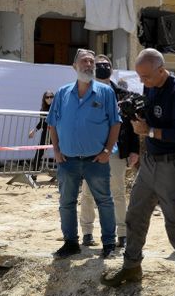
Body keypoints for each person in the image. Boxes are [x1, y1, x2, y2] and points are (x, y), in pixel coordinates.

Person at [102, 48, 175, 296]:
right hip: (150, 163)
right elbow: (152, 118)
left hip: (173, 164)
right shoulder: (151, 86)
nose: (142, 82)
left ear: (160, 69)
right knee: (135, 215)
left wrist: (150, 131)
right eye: (139, 77)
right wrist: (139, 120)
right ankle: (132, 266)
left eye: (146, 76)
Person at [47, 49, 121, 258]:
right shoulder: (62, 93)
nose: (88, 64)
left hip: (96, 160)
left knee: (104, 201)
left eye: (91, 62)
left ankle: (108, 244)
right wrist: (57, 150)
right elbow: (52, 123)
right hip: (67, 160)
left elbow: (116, 123)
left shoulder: (106, 92)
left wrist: (108, 151)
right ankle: (70, 243)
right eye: (84, 61)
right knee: (66, 203)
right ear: (74, 66)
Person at [78, 55, 140, 249]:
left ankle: (122, 233)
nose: (103, 67)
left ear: (112, 70)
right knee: (88, 193)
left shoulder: (123, 94)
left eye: (106, 65)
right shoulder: (84, 93)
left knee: (118, 193)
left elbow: (132, 125)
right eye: (99, 65)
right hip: (90, 151)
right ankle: (87, 232)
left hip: (115, 150)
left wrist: (134, 150)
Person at [28, 90, 54, 171]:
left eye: (51, 97)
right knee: (39, 153)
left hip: (56, 134)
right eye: (47, 97)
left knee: (64, 153)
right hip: (46, 134)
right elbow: (42, 123)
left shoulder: (57, 107)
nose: (49, 99)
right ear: (44, 99)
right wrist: (34, 130)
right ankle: (34, 173)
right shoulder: (43, 109)